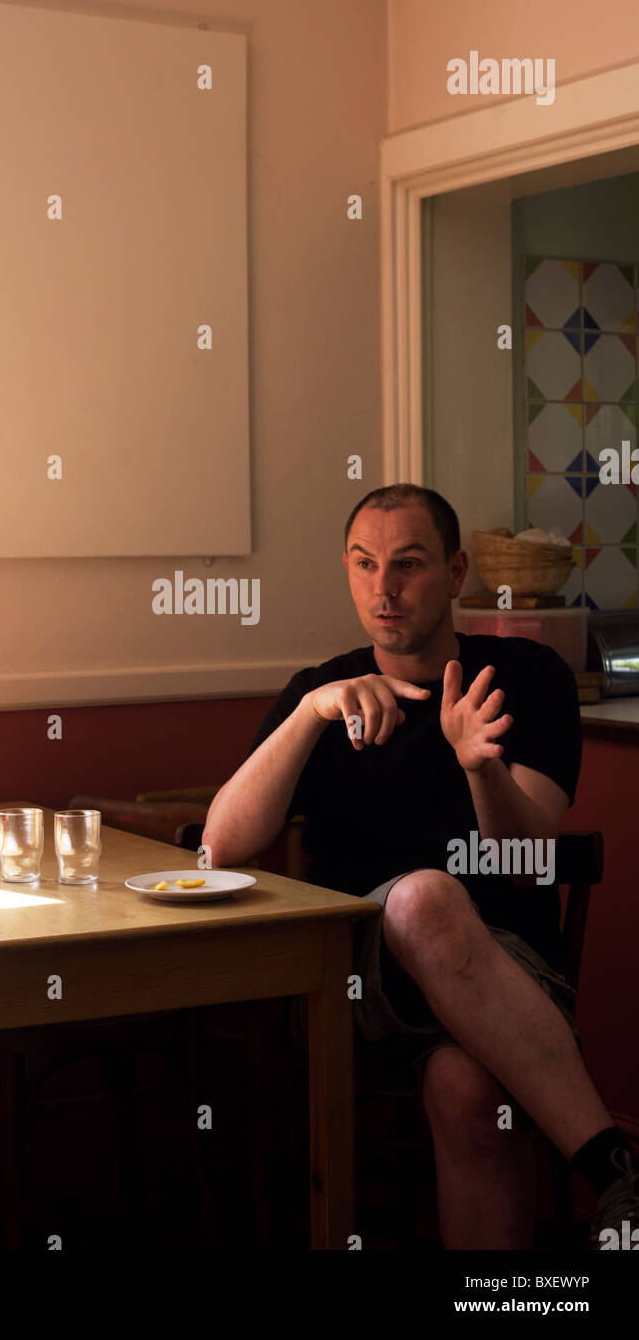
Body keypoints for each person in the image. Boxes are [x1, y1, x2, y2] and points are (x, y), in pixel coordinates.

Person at [202, 482, 639, 1249]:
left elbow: (522, 855)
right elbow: (222, 846)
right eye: (366, 565)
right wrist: (311, 715)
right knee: (418, 899)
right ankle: (615, 1171)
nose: (385, 588)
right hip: (358, 979)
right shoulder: (321, 692)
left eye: (408, 564)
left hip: (508, 971)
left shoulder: (527, 676)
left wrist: (479, 766)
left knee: (465, 1085)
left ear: (457, 570)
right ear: (346, 568)